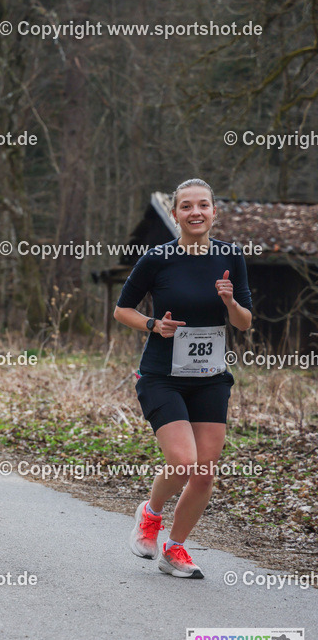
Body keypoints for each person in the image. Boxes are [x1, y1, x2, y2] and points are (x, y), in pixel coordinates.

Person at [114, 178, 252, 578]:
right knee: (183, 461)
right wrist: (154, 325)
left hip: (210, 377)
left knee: (205, 472)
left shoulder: (230, 256)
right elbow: (123, 310)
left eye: (203, 205)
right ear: (175, 214)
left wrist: (229, 301)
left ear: (214, 212)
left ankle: (174, 549)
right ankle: (150, 515)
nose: (196, 212)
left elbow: (244, 322)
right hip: (162, 376)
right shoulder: (157, 259)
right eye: (187, 206)